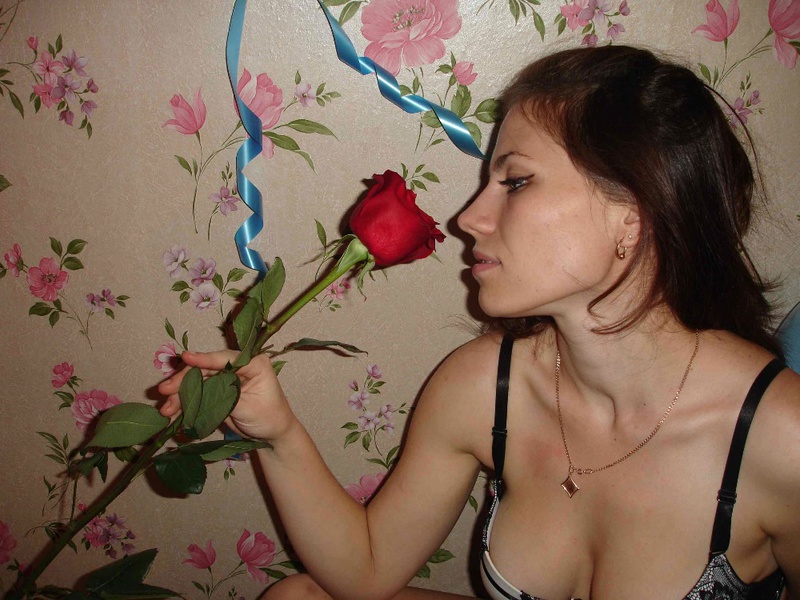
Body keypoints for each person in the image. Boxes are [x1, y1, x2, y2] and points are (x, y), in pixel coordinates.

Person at [158, 45, 800, 600]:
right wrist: (277, 431)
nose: (467, 218)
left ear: (632, 214)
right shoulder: (484, 386)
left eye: (515, 181)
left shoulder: (779, 437)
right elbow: (368, 567)